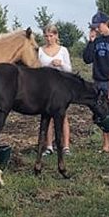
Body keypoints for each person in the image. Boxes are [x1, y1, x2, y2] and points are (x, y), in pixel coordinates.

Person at [83, 11, 109, 155]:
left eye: (97, 26)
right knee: (102, 113)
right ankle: (106, 144)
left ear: (105, 23)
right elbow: (87, 59)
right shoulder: (97, 41)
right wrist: (90, 41)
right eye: (94, 27)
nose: (96, 29)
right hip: (98, 81)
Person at [38, 24, 73, 155]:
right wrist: (47, 64)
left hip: (61, 87)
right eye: (46, 36)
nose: (48, 38)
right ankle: (49, 146)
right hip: (45, 87)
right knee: (47, 117)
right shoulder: (40, 51)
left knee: (63, 116)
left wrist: (61, 64)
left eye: (51, 36)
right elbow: (36, 68)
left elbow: (69, 69)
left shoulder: (63, 50)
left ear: (56, 36)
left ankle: (65, 146)